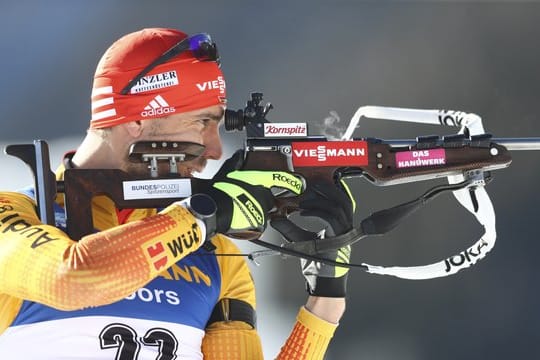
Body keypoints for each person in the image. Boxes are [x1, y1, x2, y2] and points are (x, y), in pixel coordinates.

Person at [0, 27, 354, 359]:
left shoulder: (215, 254)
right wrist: (205, 215)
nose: (215, 150)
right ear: (136, 119)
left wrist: (325, 304)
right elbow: (73, 280)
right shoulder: (15, 214)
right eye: (202, 123)